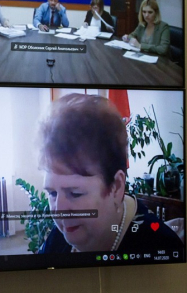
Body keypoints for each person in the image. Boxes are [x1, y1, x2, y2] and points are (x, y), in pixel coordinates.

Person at [38, 94, 183, 253]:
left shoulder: (162, 248)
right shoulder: (59, 236)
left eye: (75, 193)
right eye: (52, 193)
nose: (60, 211)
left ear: (116, 187)